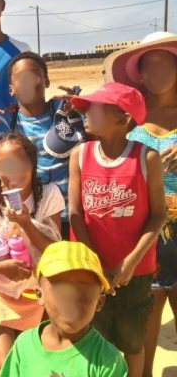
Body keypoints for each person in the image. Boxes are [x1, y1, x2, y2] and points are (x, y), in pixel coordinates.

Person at [68, 82, 166, 377]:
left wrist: (131, 261)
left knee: (133, 341)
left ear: (123, 119)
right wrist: (96, 262)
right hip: (90, 269)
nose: (84, 111)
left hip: (134, 273)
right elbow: (75, 212)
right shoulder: (80, 155)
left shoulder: (147, 158)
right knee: (93, 337)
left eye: (94, 107)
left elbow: (158, 215)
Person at [104, 32, 177, 376]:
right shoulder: (129, 118)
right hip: (150, 232)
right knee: (146, 325)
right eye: (150, 67)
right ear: (141, 75)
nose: (158, 74)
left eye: (165, 65)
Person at [0, 132, 64, 372]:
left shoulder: (48, 196)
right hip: (0, 291)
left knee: (33, 356)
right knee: (4, 357)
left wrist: (27, 223)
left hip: (37, 292)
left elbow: (54, 250)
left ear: (33, 164)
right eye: (4, 165)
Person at [0, 51, 79, 239]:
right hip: (33, 218)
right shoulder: (7, 123)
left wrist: (82, 110)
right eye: (20, 78)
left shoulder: (65, 112)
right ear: (11, 89)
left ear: (46, 81)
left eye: (33, 75)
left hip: (73, 218)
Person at [0, 241, 128, 376]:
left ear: (99, 302)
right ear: (39, 295)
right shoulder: (23, 346)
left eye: (84, 293)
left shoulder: (108, 361)